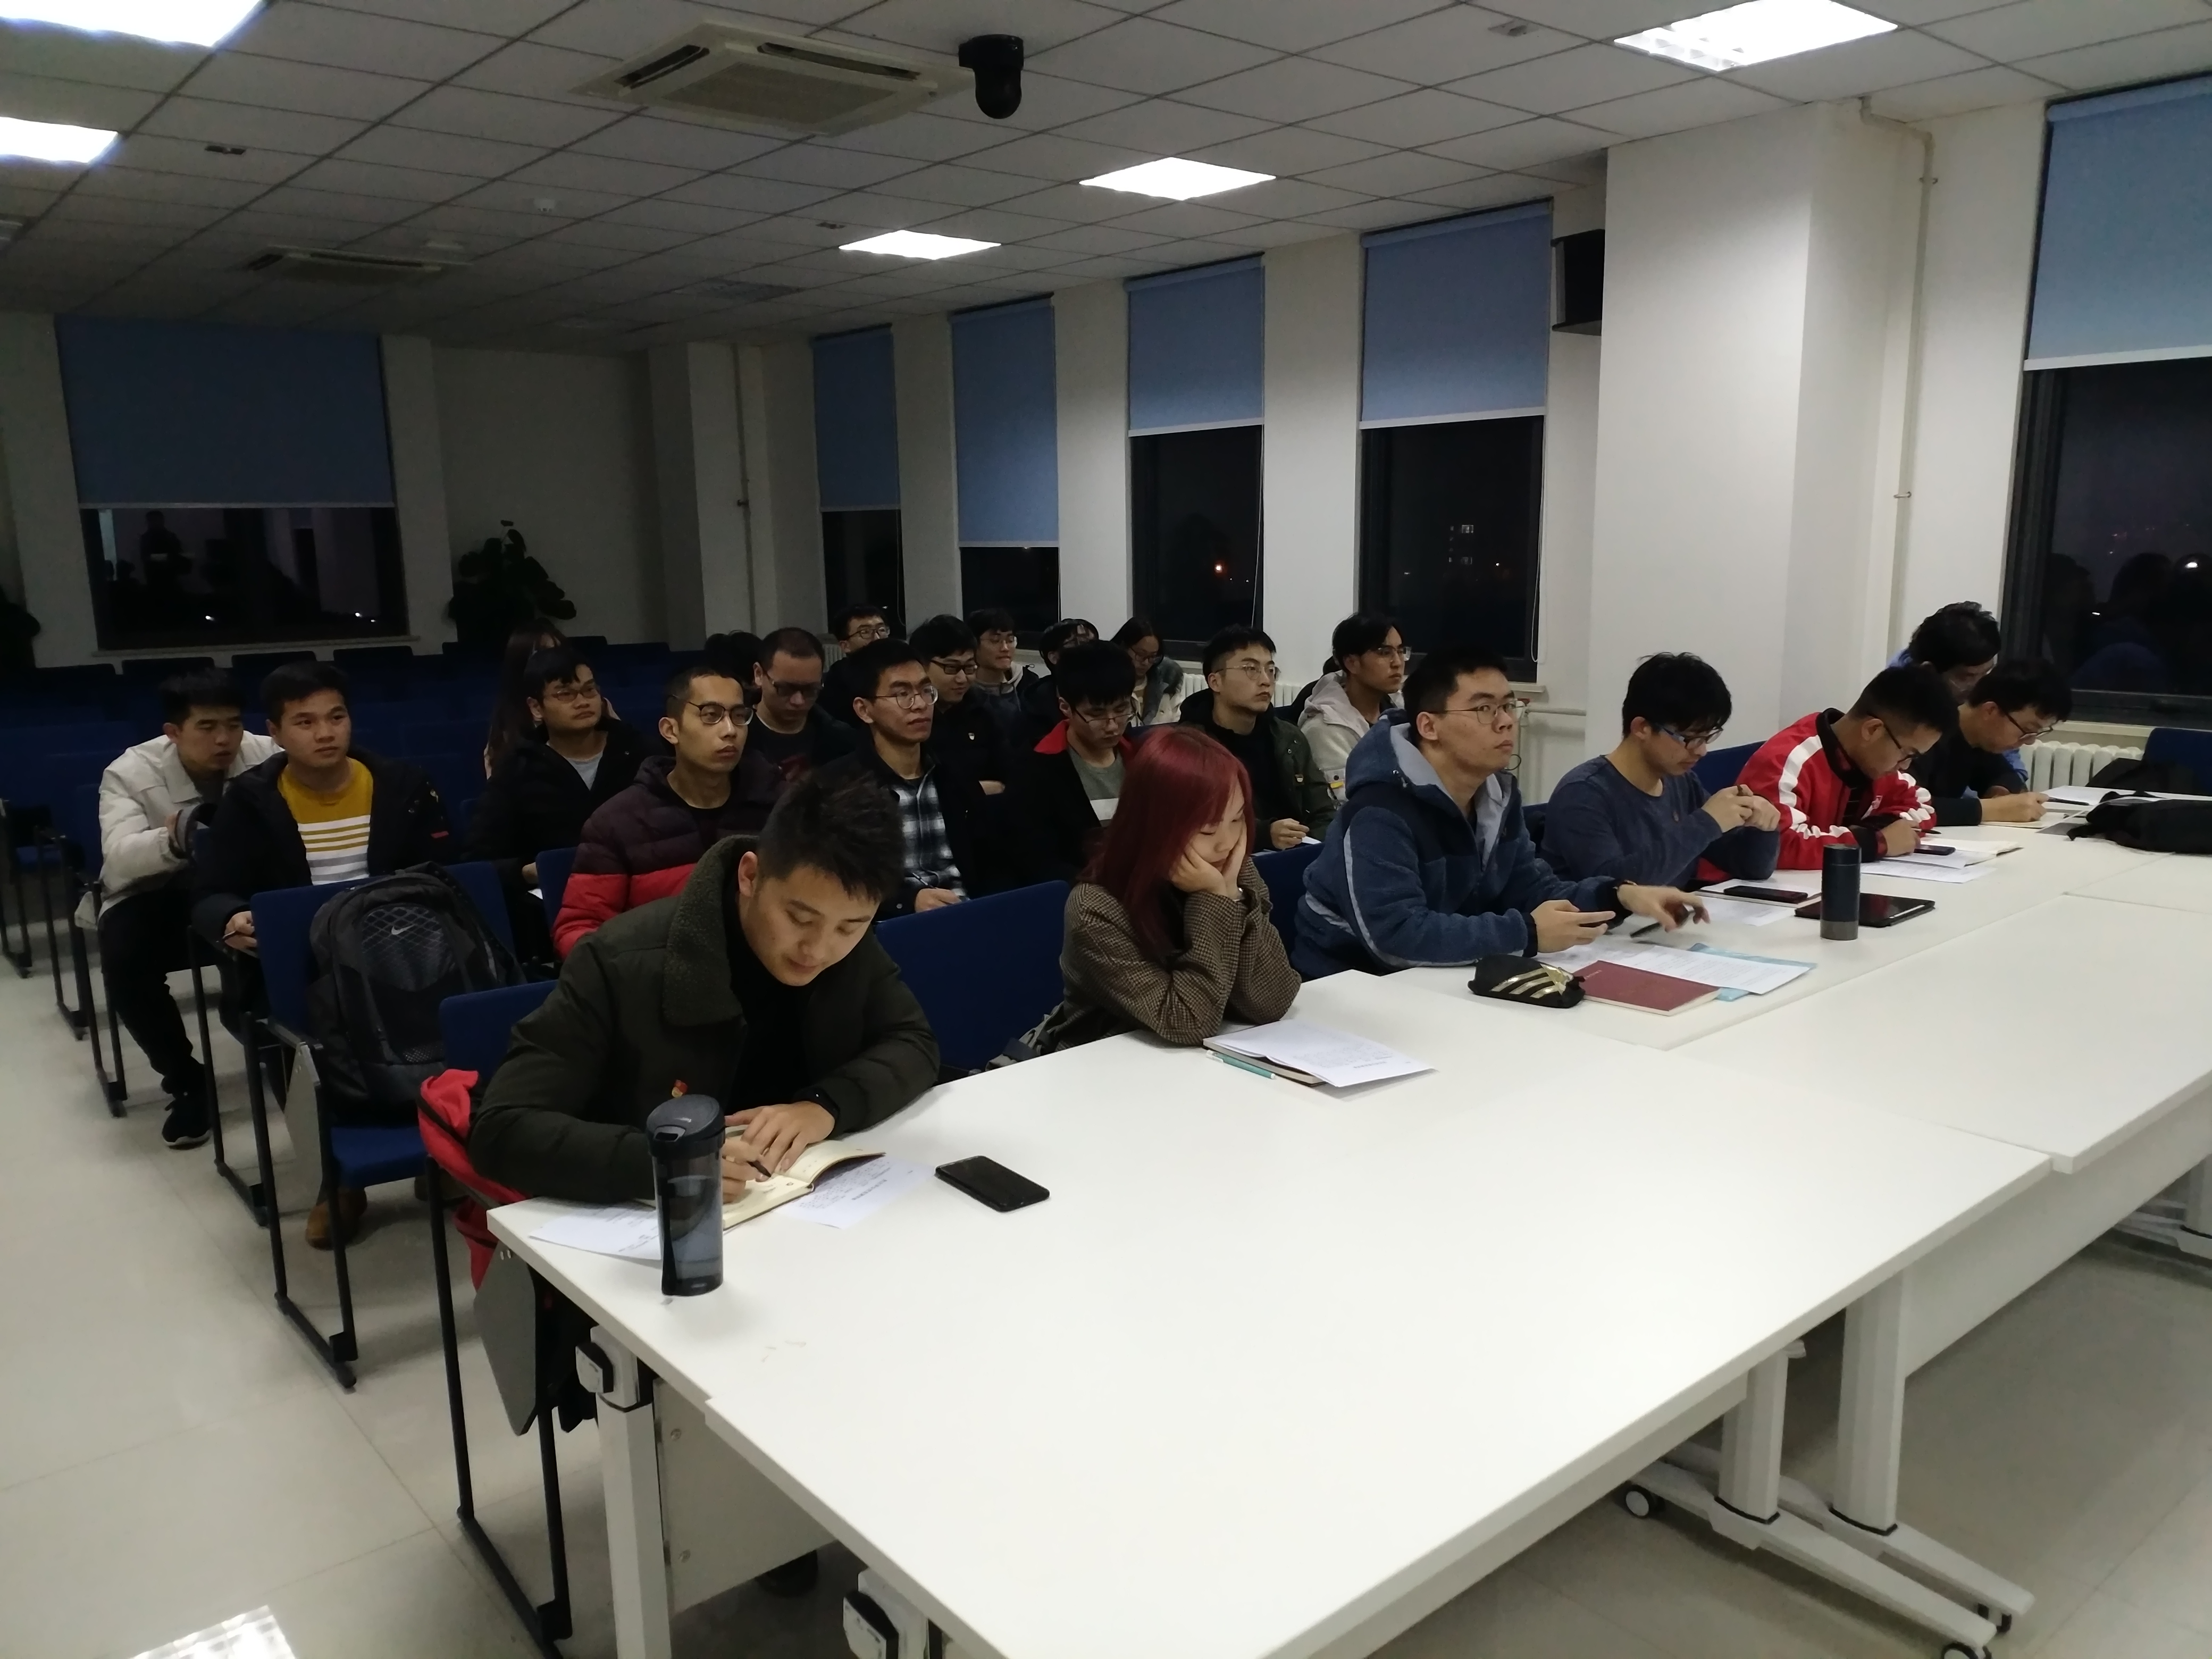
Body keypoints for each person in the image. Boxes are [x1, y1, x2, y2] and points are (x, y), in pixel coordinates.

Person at [472, 769, 938, 1205]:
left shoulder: (847, 942)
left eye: (850, 927)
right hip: (656, 1222)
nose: (817, 949)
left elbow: (912, 1040)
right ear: (750, 876)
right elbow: (503, 1129)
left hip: (805, 1204)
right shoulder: (620, 962)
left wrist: (825, 1106)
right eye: (799, 918)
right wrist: (668, 1162)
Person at [191, 661, 453, 1246]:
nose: (325, 733)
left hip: (401, 956)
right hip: (300, 969)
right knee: (296, 1038)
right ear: (275, 733)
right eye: (305, 722)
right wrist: (230, 918)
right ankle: (335, 1180)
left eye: (336, 717)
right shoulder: (250, 801)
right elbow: (208, 893)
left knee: (447, 1011)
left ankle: (443, 1151)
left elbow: (443, 872)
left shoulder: (401, 785)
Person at [1295, 644, 1707, 978]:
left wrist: (1620, 894)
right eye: (1484, 709)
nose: (1506, 722)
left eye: (1508, 706)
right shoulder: (1381, 808)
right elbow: (1394, 936)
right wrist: (1526, 933)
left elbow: (1532, 889)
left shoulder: (1495, 794)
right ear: (1429, 726)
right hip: (1348, 984)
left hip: (1443, 975)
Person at [1024, 725, 1297, 1054]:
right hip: (1107, 1063)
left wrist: (1232, 897)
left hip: (1200, 1063)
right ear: (1156, 825)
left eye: (1237, 819)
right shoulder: (1095, 908)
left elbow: (1271, 1002)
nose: (1227, 843)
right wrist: (1214, 900)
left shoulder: (1232, 871)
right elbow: (1188, 1021)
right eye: (1208, 829)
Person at [90, 671, 278, 1147]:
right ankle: (186, 1080)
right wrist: (174, 840)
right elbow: (118, 858)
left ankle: (268, 1035)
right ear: (173, 732)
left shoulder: (267, 754)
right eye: (207, 727)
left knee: (283, 923)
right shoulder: (130, 772)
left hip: (239, 888)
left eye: (233, 725)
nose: (225, 740)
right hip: (160, 893)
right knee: (124, 956)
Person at [554, 663, 774, 957]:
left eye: (738, 716)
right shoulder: (618, 822)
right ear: (671, 730)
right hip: (659, 970)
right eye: (711, 716)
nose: (730, 731)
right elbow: (578, 930)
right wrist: (638, 968)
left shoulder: (774, 805)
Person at [466, 645, 657, 948]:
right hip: (555, 903)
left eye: (589, 690)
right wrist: (529, 872)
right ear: (536, 708)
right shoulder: (517, 769)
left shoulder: (641, 753)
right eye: (566, 694)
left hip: (641, 894)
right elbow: (479, 861)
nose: (583, 702)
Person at [1543, 652, 1782, 888]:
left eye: (1708, 737)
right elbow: (1616, 889)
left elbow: (1750, 868)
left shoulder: (1682, 783)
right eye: (1690, 739)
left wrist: (1763, 828)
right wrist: (1706, 823)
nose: (1702, 751)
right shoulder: (1583, 794)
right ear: (1642, 728)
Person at [823, 637, 1004, 916]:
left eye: (925, 691)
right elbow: (837, 884)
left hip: (967, 914)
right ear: (864, 710)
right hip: (890, 924)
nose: (920, 704)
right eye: (902, 694)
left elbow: (992, 860)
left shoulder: (953, 775)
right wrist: (906, 903)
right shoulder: (840, 788)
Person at [1735, 664, 1949, 870]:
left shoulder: (1876, 765)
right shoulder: (1788, 760)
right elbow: (1776, 845)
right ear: (1873, 730)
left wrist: (1877, 829)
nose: (1905, 766)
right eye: (1907, 753)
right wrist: (1874, 842)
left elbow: (1922, 804)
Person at [1178, 626, 1335, 850]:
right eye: (1251, 669)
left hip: (1299, 855)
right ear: (1215, 682)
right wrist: (1263, 835)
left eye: (1270, 670)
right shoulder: (1190, 746)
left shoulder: (1288, 737)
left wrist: (1311, 849)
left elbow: (1323, 810)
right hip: (1230, 859)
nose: (1266, 681)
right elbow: (1196, 824)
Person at [1013, 640, 1140, 884]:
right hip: (1084, 893)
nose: (1112, 726)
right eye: (1096, 714)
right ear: (1065, 707)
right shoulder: (1035, 770)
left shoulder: (1142, 757)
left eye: (1121, 709)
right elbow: (1037, 862)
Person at [1909, 660, 2066, 826]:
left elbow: (2005, 775)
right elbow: (1907, 807)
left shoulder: (1979, 742)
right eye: (2027, 730)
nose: (2030, 741)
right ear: (1991, 711)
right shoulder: (1925, 734)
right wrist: (1993, 809)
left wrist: (2002, 792)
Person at [1298, 613, 1406, 796]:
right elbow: (1346, 804)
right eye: (1384, 652)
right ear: (1352, 663)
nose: (1397, 662)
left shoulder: (1401, 712)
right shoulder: (1325, 730)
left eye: (1401, 651)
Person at [747, 625, 859, 789]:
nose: (798, 701)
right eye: (785, 689)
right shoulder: (736, 738)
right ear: (759, 674)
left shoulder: (843, 741)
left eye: (811, 690)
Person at [911, 613, 1007, 791]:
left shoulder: (990, 712)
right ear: (920, 665)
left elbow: (1009, 781)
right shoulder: (910, 716)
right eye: (951, 668)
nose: (962, 679)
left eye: (969, 667)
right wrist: (974, 790)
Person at [484, 616, 567, 775]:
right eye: (543, 654)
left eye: (559, 652)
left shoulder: (591, 706)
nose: (555, 662)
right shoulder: (506, 733)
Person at [1894, 602, 2001, 700]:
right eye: (1967, 677)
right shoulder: (1897, 709)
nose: (1980, 690)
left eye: (1986, 673)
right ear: (1928, 672)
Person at [966, 606, 1036, 747]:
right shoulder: (963, 690)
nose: (1005, 648)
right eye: (995, 641)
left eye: (1010, 640)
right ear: (974, 645)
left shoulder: (1028, 682)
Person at [822, 604, 894, 730]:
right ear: (846, 646)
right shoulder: (838, 680)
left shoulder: (898, 668)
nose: (877, 638)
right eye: (865, 632)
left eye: (882, 630)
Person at [1112, 616, 1185, 727]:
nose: (1146, 663)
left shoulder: (1166, 685)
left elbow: (1181, 724)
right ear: (1123, 648)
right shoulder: (1109, 686)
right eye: (1140, 655)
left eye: (1152, 657)